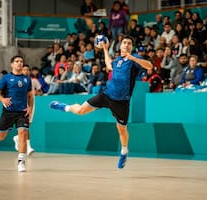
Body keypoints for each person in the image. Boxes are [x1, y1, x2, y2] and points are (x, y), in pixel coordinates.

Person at [49, 35, 153, 169]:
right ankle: (64, 107)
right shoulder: (118, 61)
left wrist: (133, 57)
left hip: (122, 102)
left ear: (131, 47)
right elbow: (109, 65)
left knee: (122, 130)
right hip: (107, 94)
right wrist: (105, 48)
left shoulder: (134, 61)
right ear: (120, 46)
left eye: (129, 43)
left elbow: (149, 66)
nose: (126, 45)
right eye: (124, 43)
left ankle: (124, 151)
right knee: (81, 111)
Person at [0, 55, 34, 172]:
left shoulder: (27, 79)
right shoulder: (6, 78)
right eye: (17, 61)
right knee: (1, 136)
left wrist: (30, 108)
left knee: (23, 134)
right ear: (12, 64)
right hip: (8, 112)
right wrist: (2, 100)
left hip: (22, 112)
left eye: (21, 61)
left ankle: (21, 162)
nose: (19, 63)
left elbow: (30, 95)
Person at [12, 64, 35, 157]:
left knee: (29, 124)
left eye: (27, 70)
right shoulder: (17, 80)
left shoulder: (31, 81)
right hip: (22, 104)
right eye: (24, 69)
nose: (26, 71)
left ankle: (17, 137)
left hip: (31, 103)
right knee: (26, 127)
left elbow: (38, 91)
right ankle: (28, 147)